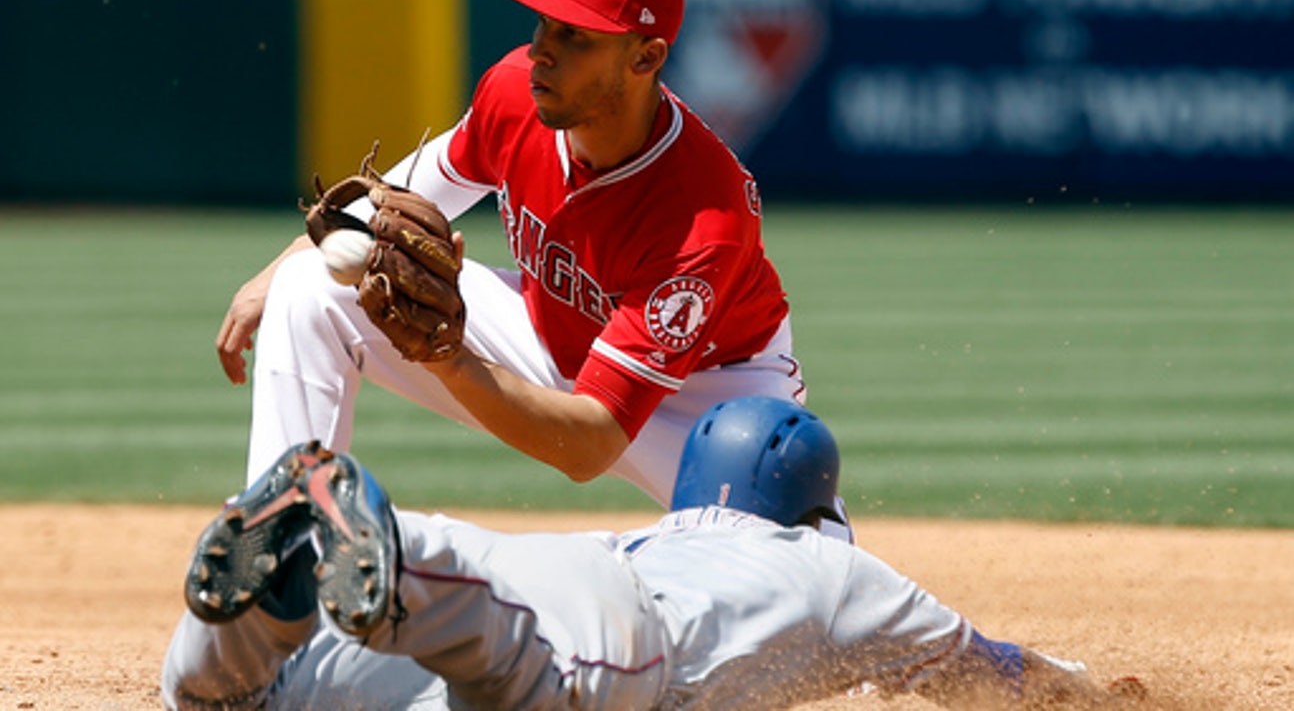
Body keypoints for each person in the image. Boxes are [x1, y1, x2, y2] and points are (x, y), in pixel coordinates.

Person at [213, 0, 851, 532]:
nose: (543, 49)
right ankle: (281, 544)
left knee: (808, 601)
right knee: (309, 282)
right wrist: (274, 273)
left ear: (646, 56)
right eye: (544, 22)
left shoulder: (702, 218)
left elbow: (589, 446)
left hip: (706, 400)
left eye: (575, 35)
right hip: (551, 334)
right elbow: (388, 202)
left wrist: (448, 359)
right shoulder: (515, 90)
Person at [162, 397, 1146, 709]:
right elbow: (988, 672)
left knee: (235, 700)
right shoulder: (835, 571)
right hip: (618, 629)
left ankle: (285, 593)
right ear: (815, 508)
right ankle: (387, 566)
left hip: (535, 561)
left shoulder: (656, 530)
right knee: (520, 667)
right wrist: (1093, 693)